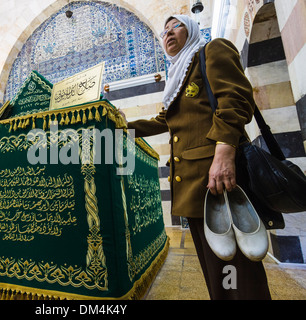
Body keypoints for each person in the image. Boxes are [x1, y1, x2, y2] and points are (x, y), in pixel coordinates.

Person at [121, 15, 271, 300]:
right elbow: (163, 121)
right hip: (196, 187)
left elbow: (236, 99)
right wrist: (118, 126)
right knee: (217, 271)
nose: (168, 34)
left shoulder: (211, 51)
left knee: (237, 272)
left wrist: (224, 154)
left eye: (175, 26)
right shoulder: (178, 75)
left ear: (190, 29)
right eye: (164, 31)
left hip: (218, 182)